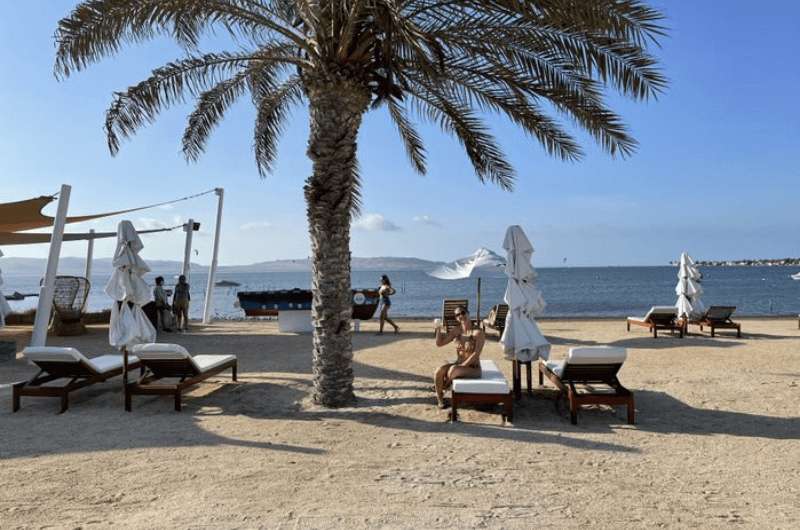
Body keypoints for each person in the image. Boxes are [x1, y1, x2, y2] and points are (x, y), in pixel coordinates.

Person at [433, 306, 484, 408]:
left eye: (463, 313)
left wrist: (461, 366)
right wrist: (438, 329)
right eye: (457, 315)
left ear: (468, 313)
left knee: (452, 370)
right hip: (458, 365)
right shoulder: (457, 331)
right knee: (438, 371)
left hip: (473, 368)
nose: (461, 316)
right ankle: (440, 399)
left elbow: (476, 354)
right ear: (456, 318)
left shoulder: (478, 332)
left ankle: (442, 386)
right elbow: (439, 343)